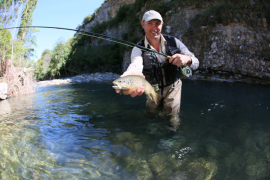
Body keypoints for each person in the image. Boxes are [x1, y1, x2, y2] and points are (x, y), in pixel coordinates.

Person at [115, 10, 199, 118]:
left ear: (162, 25)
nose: (154, 28)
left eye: (157, 24)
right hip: (151, 87)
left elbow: (196, 62)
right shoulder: (137, 49)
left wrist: (187, 59)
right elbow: (136, 64)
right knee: (152, 115)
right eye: (150, 23)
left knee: (172, 117)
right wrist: (133, 72)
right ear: (143, 24)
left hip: (174, 87)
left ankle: (172, 133)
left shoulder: (174, 41)